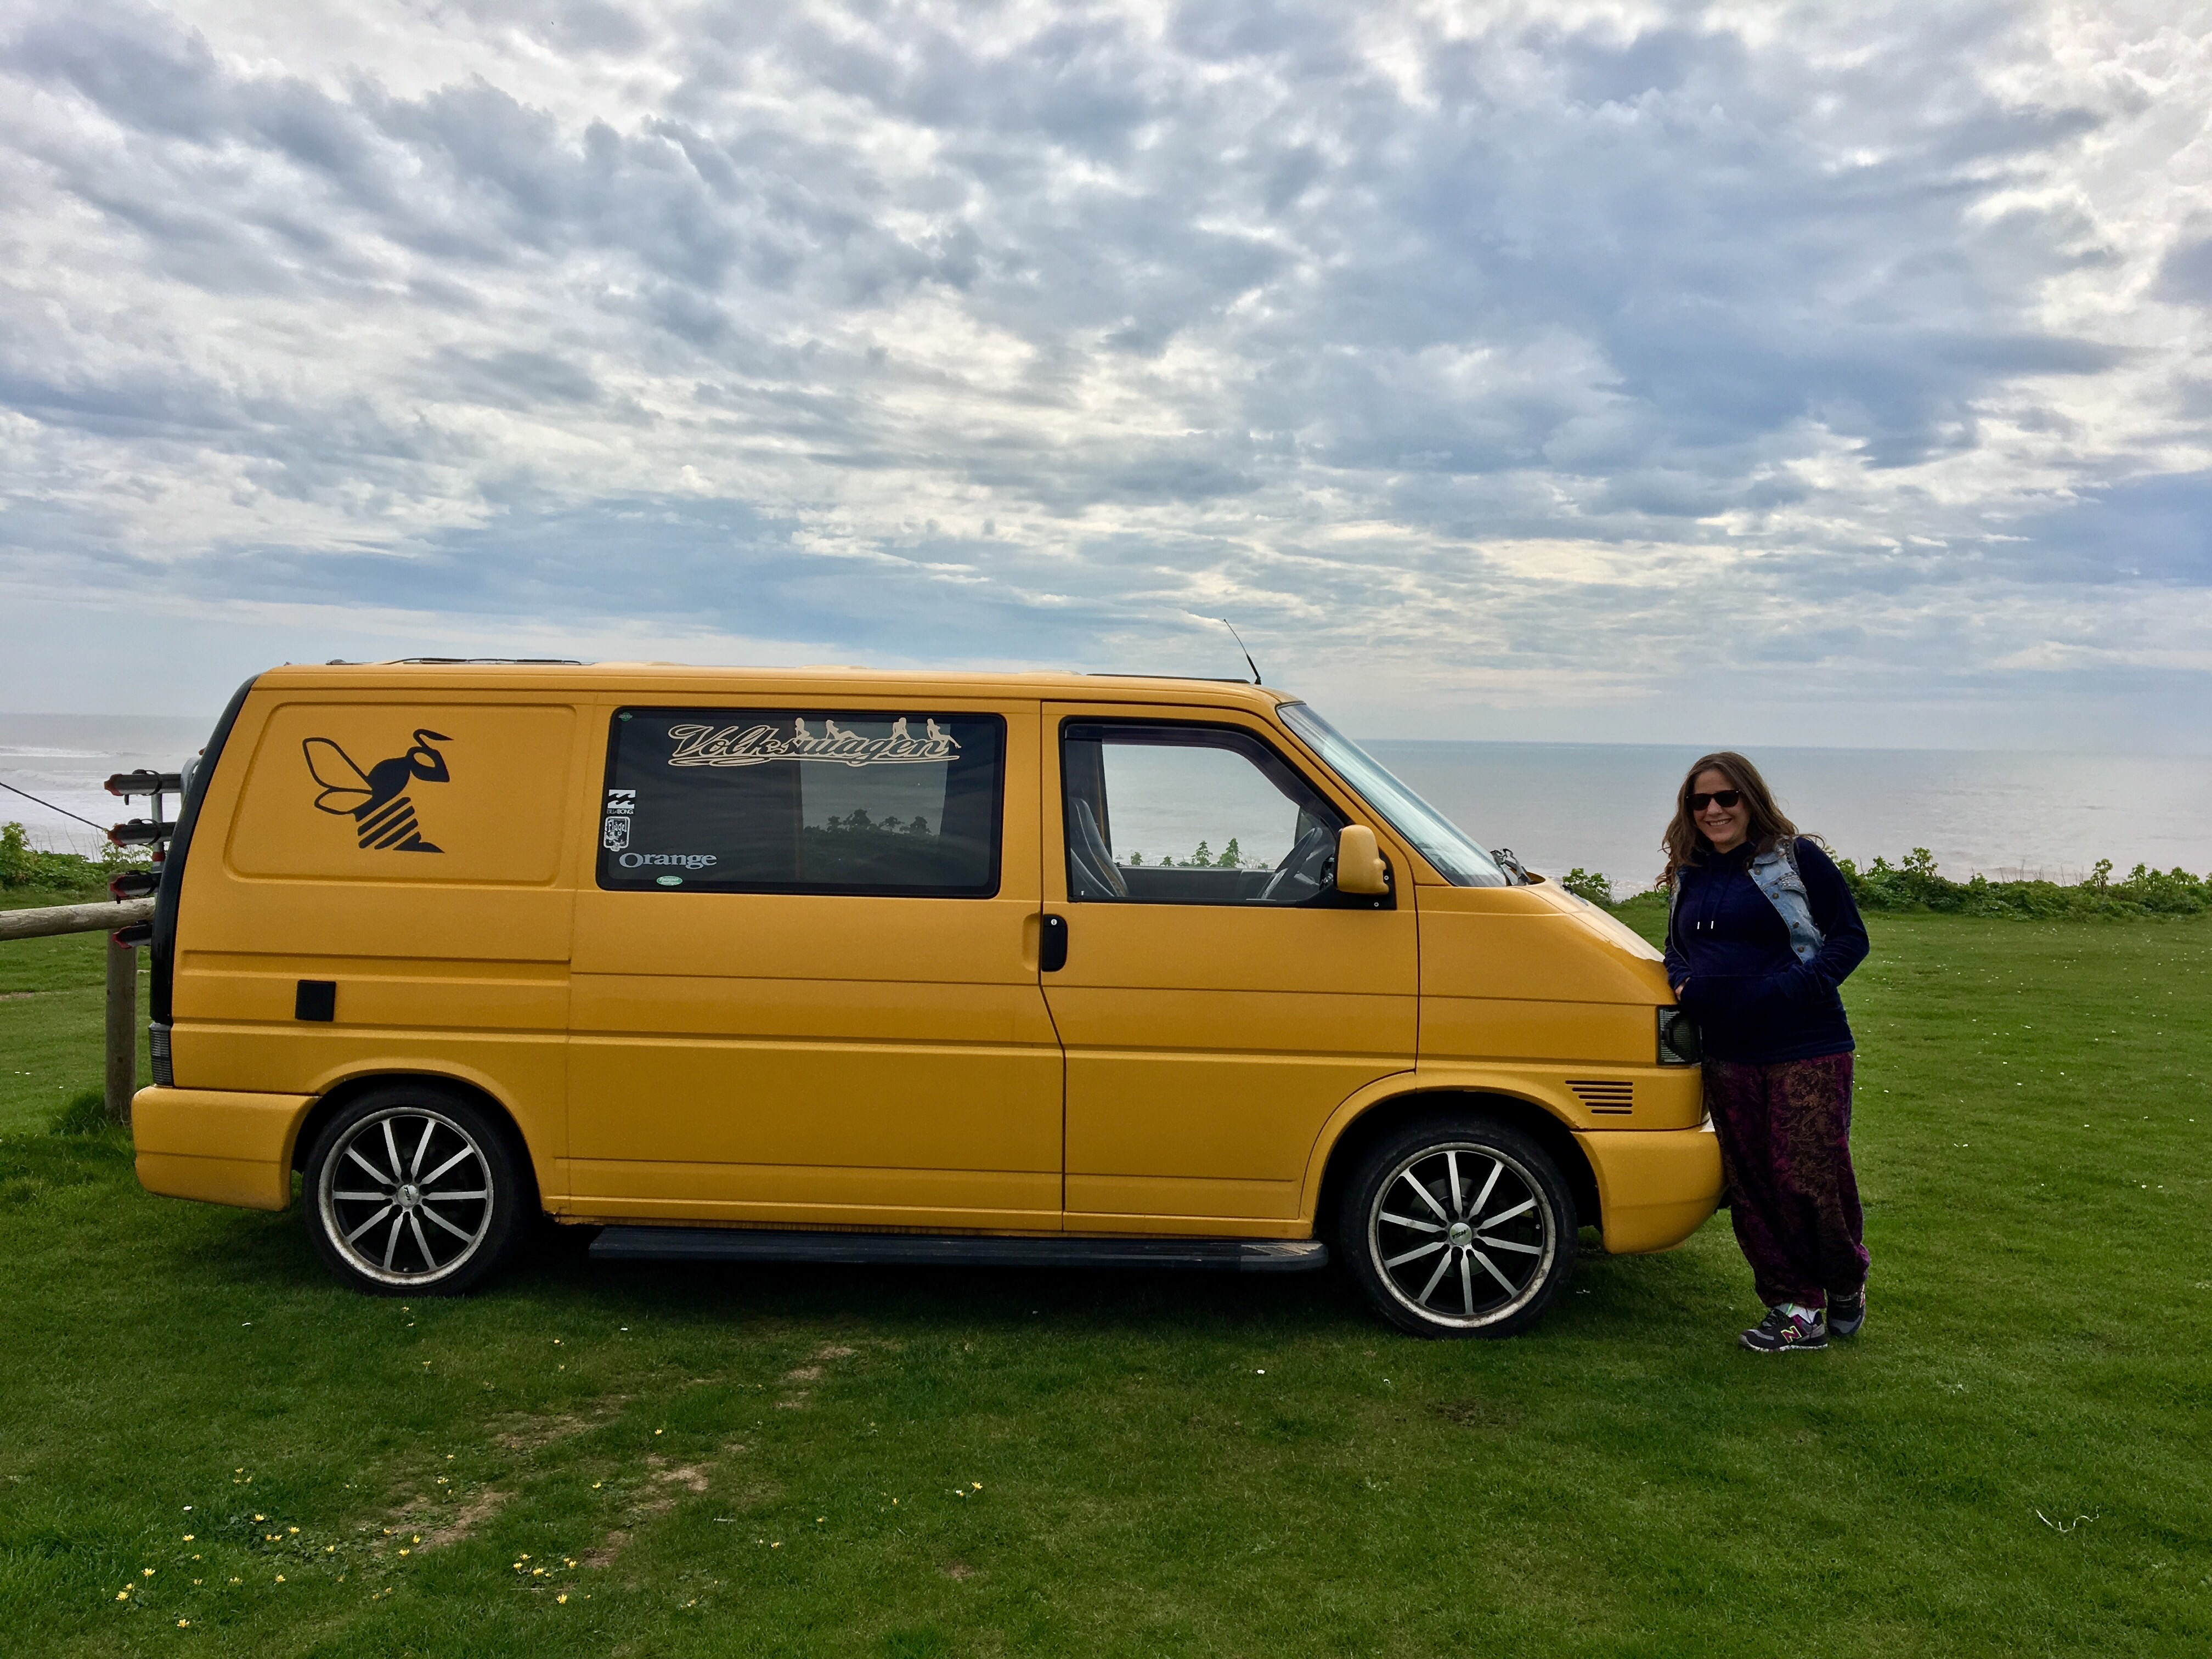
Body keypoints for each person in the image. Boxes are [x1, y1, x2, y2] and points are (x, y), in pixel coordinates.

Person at [1662, 752, 1871, 1353]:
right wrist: (1683, 983)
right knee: (1753, 1185)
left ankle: (1845, 1280)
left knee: (1808, 1176)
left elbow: (1850, 939)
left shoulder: (1794, 858)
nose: (1713, 810)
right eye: (1700, 801)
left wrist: (1791, 990)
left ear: (1750, 799)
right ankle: (1794, 1306)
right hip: (1729, 1051)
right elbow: (1677, 947)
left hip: (1806, 1044)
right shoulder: (1689, 873)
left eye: (1725, 797)